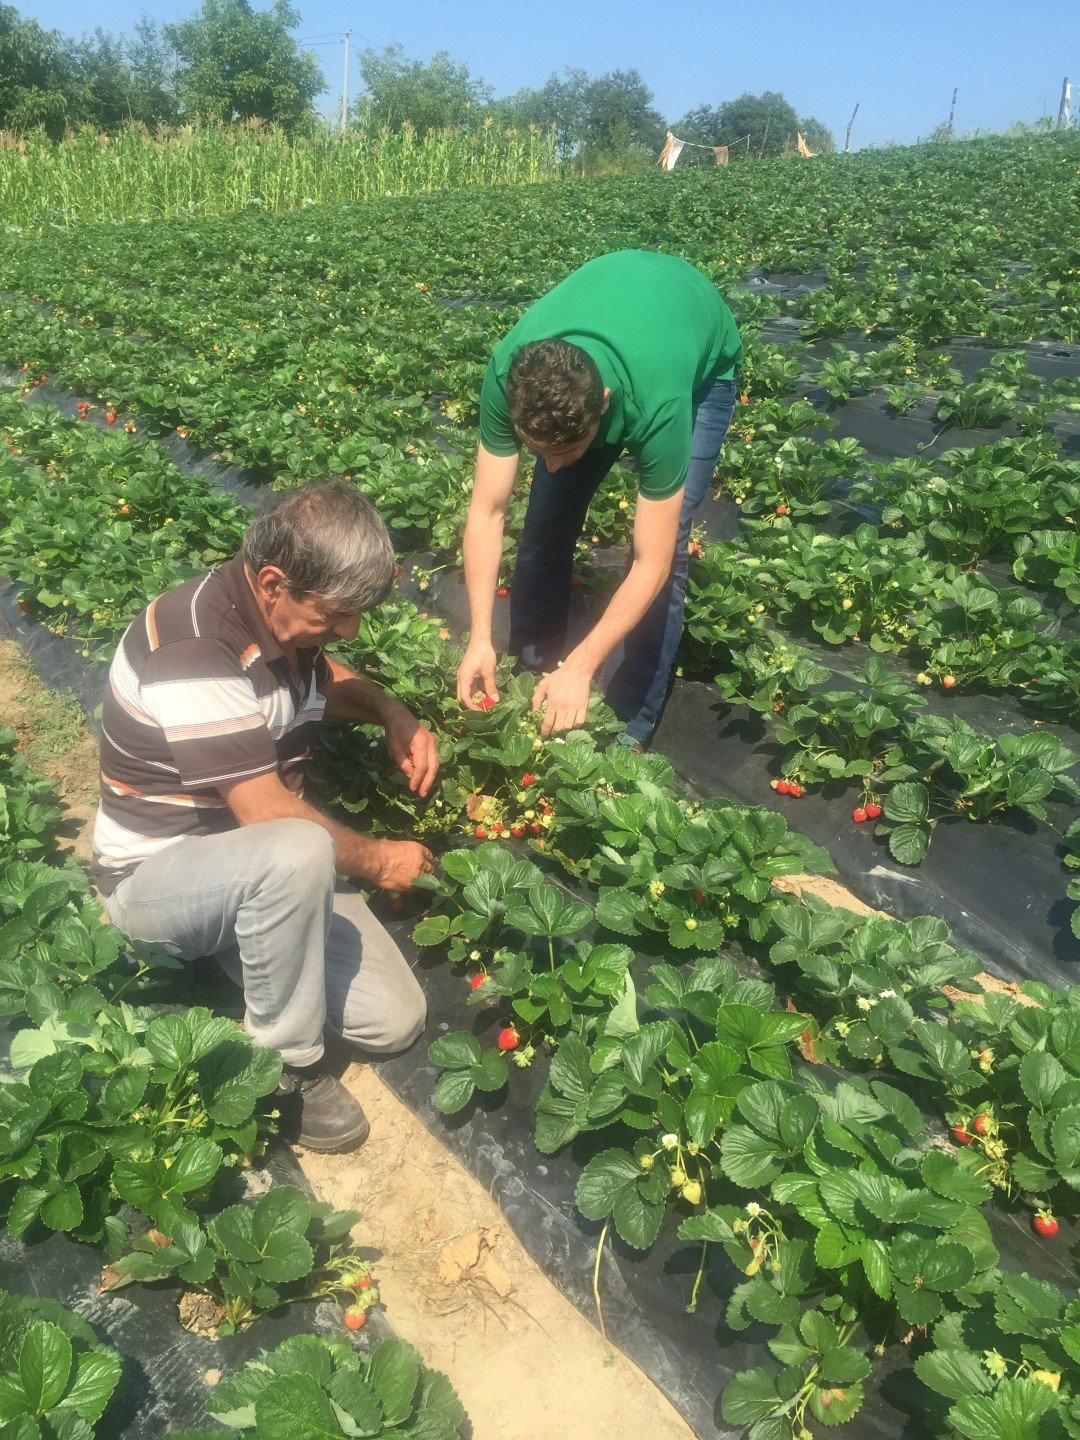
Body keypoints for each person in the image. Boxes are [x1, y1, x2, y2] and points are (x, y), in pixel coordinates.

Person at [92, 481, 438, 1154]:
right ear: (275, 581)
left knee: (394, 1021)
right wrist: (382, 860)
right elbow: (267, 813)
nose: (349, 630)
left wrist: (391, 712)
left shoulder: (276, 623)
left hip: (255, 867)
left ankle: (254, 944)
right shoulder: (194, 643)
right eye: (337, 613)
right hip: (157, 878)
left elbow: (327, 676)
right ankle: (282, 1067)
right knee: (299, 847)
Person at [455, 249, 742, 744]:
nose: (552, 465)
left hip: (697, 358)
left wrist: (585, 663)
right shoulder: (509, 376)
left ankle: (630, 717)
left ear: (603, 404)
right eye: (537, 451)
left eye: (567, 450)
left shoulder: (660, 403)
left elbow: (650, 562)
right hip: (621, 309)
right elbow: (487, 512)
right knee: (546, 521)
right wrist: (480, 636)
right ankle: (534, 670)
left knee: (663, 550)